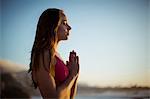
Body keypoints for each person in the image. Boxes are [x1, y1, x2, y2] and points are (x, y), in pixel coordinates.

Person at [28, 8, 80, 99]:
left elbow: (69, 97)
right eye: (64, 23)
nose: (69, 27)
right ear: (52, 26)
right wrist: (72, 75)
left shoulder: (56, 55)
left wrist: (75, 74)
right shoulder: (43, 55)